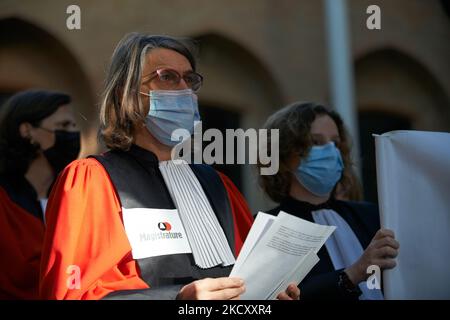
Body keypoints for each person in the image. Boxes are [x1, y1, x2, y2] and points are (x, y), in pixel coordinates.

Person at [39, 33, 300, 300]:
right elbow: (70, 294)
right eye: (167, 77)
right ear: (125, 95)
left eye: (189, 79)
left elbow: (247, 282)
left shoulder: (219, 185)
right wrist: (177, 299)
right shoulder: (92, 181)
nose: (184, 90)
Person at [258, 101, 399, 300]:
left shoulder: (372, 216)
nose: (331, 151)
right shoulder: (266, 228)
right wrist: (352, 274)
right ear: (283, 153)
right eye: (316, 142)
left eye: (336, 143)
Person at [0, 90, 80, 299]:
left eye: (73, 126)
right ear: (27, 130)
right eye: (63, 126)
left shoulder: (76, 197)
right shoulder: (4, 199)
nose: (72, 134)